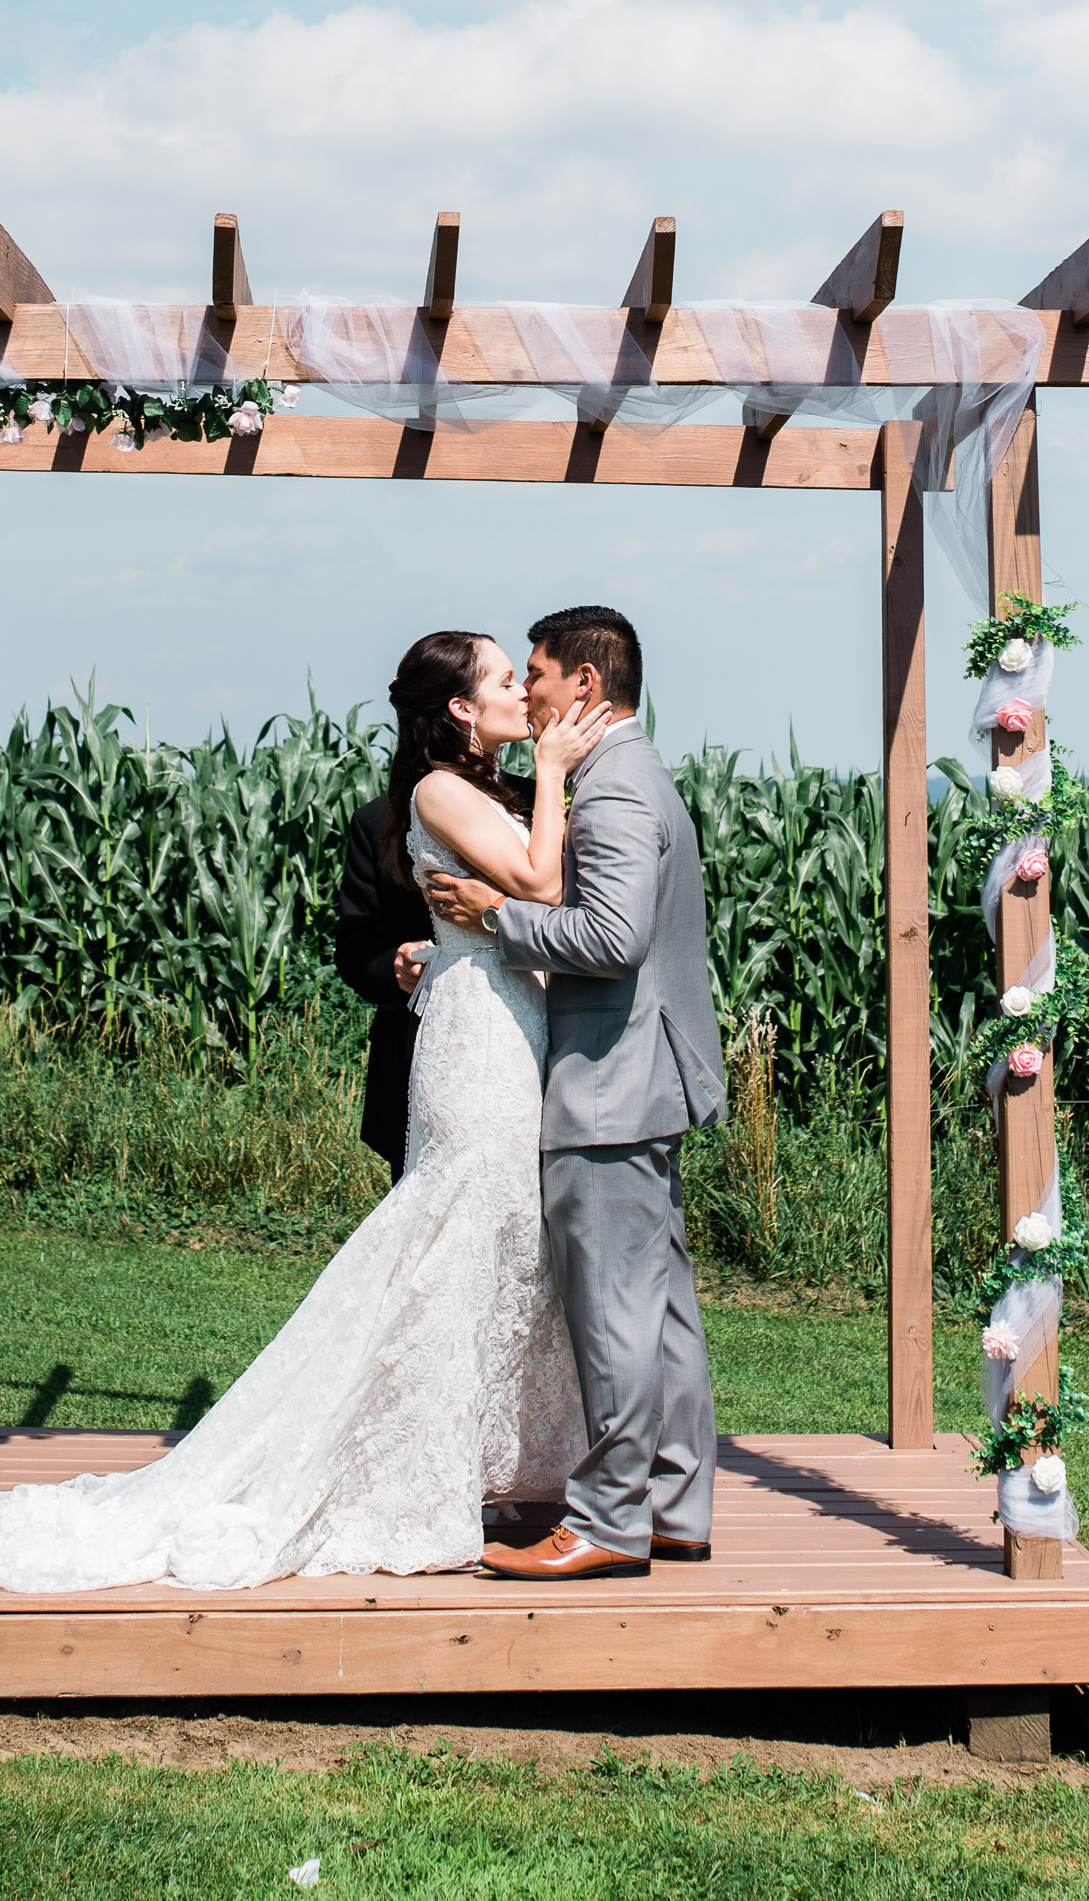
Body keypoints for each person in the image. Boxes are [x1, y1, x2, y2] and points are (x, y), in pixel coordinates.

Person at [0, 631, 606, 1592]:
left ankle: (489, 1465)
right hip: (478, 1046)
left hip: (511, 1028)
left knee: (502, 1243)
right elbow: (539, 884)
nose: (519, 692)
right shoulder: (436, 791)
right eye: (505, 679)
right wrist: (549, 775)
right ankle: (408, 1473)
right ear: (460, 709)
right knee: (451, 1243)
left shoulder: (482, 794)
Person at [427, 606, 726, 1582]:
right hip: (645, 1080)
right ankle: (674, 1507)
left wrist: (500, 916)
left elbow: (610, 937)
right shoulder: (629, 773)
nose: (533, 694)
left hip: (612, 1087)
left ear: (586, 685)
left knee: (616, 1317)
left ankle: (605, 1520)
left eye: (543, 675)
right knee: (663, 1312)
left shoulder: (611, 788)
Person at [334, 794, 434, 1184]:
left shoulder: (531, 802)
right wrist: (394, 965)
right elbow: (356, 944)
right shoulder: (378, 820)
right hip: (413, 1056)